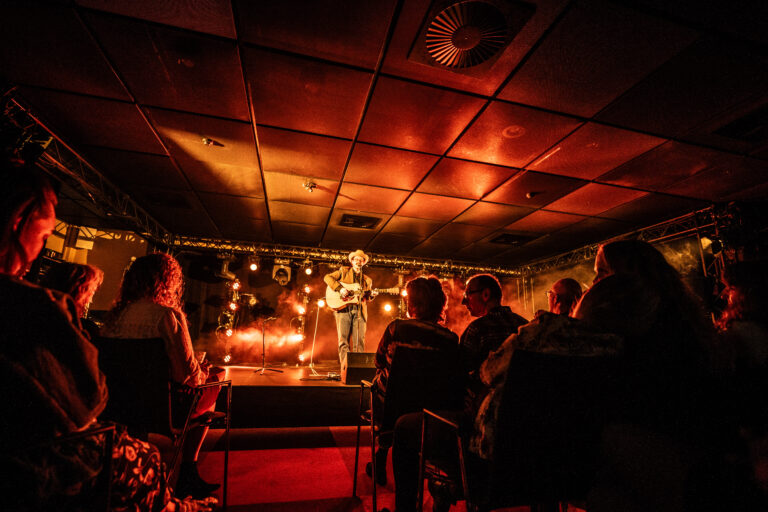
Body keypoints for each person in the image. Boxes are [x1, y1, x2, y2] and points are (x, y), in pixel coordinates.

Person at [0, 160, 214, 511]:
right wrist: (204, 374)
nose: (41, 246)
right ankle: (186, 482)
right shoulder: (37, 307)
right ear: (17, 223)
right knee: (210, 387)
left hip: (125, 409)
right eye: (44, 235)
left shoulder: (113, 318)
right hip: (69, 452)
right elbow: (90, 400)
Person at [101, 253, 223, 500]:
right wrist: (203, 371)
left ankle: (183, 471)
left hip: (120, 407)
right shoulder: (166, 316)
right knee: (216, 378)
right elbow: (186, 377)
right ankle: (188, 470)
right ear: (168, 281)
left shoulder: (113, 318)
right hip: (162, 411)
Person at [369, 276, 459, 488]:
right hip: (430, 409)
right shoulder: (450, 338)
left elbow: (378, 361)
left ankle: (382, 449)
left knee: (379, 382)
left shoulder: (396, 328)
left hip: (393, 404)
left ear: (413, 305)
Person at [324, 249, 376, 363]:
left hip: (359, 310)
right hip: (343, 309)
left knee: (359, 341)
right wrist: (340, 289)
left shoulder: (367, 280)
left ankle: (358, 366)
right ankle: (345, 367)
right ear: (352, 261)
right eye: (356, 259)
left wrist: (371, 295)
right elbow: (327, 278)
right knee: (343, 340)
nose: (358, 262)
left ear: (363, 263)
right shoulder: (343, 271)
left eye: (360, 260)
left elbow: (366, 297)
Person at [41, 261, 104, 337]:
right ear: (78, 292)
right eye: (91, 292)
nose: (90, 301)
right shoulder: (84, 329)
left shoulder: (34, 315)